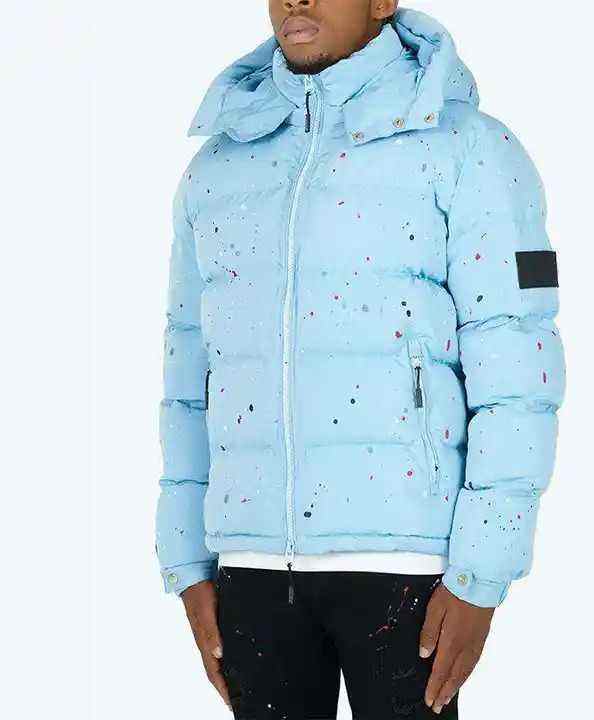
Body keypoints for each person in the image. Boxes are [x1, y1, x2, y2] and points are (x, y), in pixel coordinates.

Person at [156, 2, 564, 717]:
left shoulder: (472, 150)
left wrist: (484, 568)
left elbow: (520, 367)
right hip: (250, 564)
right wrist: (186, 559)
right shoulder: (217, 167)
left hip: (409, 567)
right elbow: (188, 373)